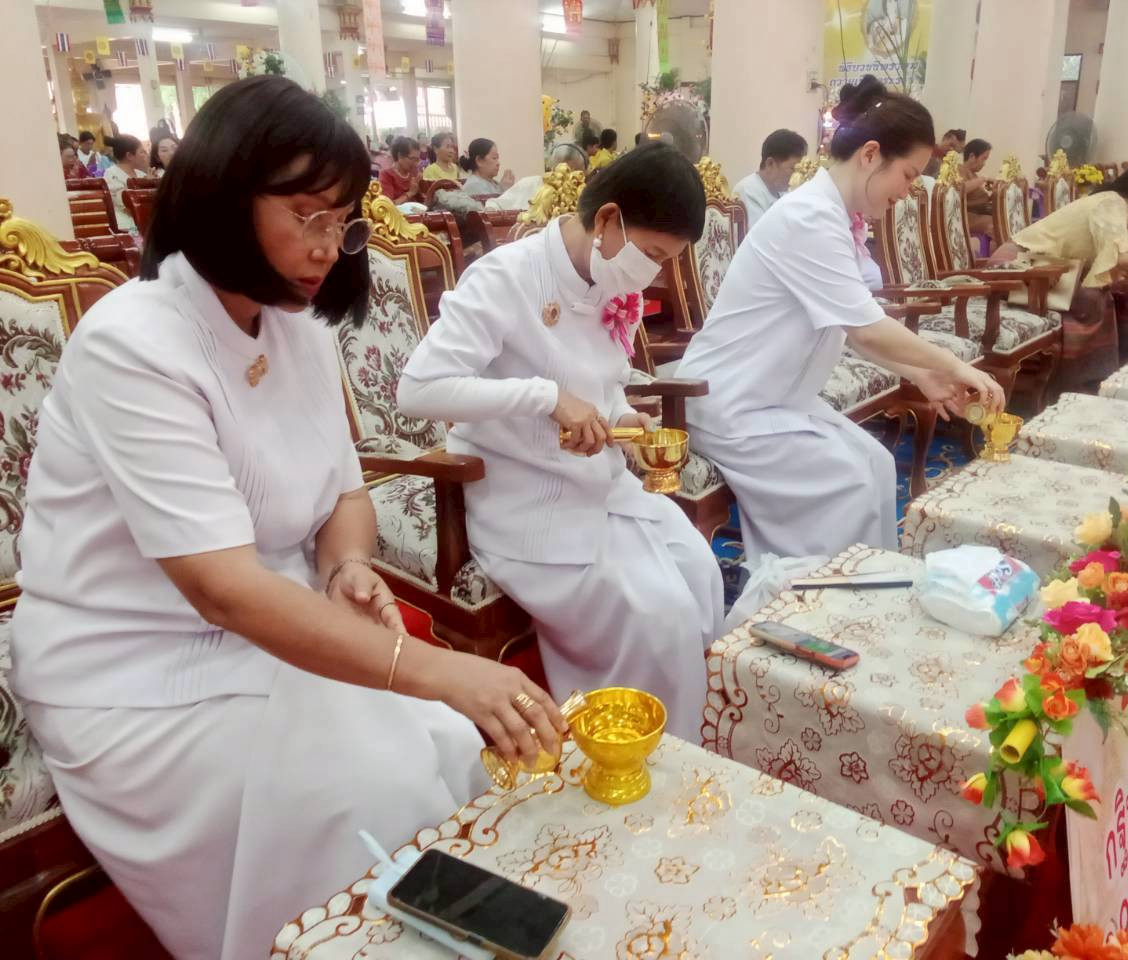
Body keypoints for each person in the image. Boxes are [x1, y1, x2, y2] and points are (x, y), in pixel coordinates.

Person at [11, 76, 563, 960]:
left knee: (448, 748)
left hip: (262, 628)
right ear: (226, 197)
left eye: (340, 220)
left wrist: (347, 566)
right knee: (367, 787)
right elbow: (222, 590)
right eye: (306, 214)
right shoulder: (134, 344)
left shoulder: (295, 326)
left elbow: (343, 493)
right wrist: (431, 667)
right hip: (132, 667)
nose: (327, 247)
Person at [397, 143, 723, 743]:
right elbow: (418, 389)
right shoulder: (507, 275)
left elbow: (606, 388)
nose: (652, 275)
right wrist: (545, 399)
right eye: (651, 255)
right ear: (607, 220)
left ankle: (672, 740)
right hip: (525, 498)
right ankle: (624, 744)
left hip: (598, 486)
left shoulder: (606, 278)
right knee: (661, 615)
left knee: (701, 573)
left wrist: (628, 427)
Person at [674, 80, 1003, 564]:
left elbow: (850, 324)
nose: (908, 192)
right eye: (909, 175)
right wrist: (955, 366)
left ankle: (859, 589)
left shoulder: (834, 215)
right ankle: (808, 599)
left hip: (777, 397)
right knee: (848, 482)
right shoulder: (809, 217)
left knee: (875, 461)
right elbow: (866, 326)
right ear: (871, 155)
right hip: (730, 401)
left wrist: (920, 373)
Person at [994, 164, 1128, 379]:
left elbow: (1127, 260)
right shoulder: (1111, 203)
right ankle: (1094, 378)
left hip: (1051, 271)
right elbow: (1125, 258)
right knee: (1099, 297)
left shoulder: (1119, 211)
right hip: (1019, 268)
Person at [733, 128, 808, 231]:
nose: (797, 176)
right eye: (793, 169)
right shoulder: (747, 191)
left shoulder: (783, 191)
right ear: (770, 164)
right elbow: (761, 236)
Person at [102, 134, 148, 232]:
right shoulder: (112, 174)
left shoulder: (141, 174)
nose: (145, 155)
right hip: (126, 227)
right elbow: (127, 207)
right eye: (142, 152)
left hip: (145, 223)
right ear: (129, 156)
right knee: (139, 245)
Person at [960, 138, 995, 242]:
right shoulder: (959, 170)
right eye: (983, 159)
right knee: (996, 224)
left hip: (980, 213)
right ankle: (1002, 256)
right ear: (972, 157)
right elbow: (960, 189)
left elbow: (981, 199)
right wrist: (983, 179)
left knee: (1006, 220)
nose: (984, 163)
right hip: (966, 215)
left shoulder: (974, 175)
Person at [378, 136, 424, 205]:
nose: (416, 164)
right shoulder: (386, 175)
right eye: (413, 159)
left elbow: (423, 202)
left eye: (417, 160)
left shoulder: (414, 173)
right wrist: (410, 193)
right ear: (400, 156)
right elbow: (388, 206)